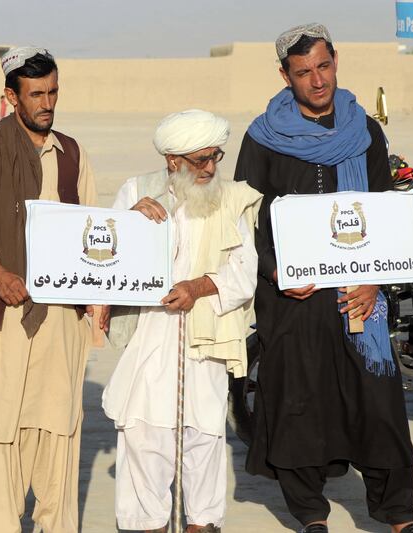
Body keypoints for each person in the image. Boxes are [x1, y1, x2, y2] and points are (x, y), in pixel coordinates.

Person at [234, 23, 413, 533]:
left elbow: (385, 210)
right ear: (284, 75)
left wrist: (374, 280)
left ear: (335, 61)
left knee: (378, 400)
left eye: (323, 66)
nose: (316, 80)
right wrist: (276, 272)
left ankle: (399, 515)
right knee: (299, 401)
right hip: (293, 299)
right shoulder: (263, 138)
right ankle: (310, 514)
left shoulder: (364, 130)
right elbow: (244, 218)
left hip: (358, 294)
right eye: (303, 72)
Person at [0, 46, 97, 532]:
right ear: (11, 96)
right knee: (0, 434)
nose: (47, 103)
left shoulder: (73, 154)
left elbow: (92, 236)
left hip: (60, 322)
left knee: (59, 435)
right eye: (36, 94)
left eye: (53, 92)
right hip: (3, 317)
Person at [101, 110, 261, 533]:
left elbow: (244, 274)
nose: (210, 168)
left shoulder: (230, 200)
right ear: (173, 161)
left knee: (203, 443)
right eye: (199, 160)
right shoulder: (135, 191)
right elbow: (106, 263)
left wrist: (197, 287)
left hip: (206, 346)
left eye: (215, 157)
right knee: (143, 441)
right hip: (148, 343)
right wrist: (130, 221)